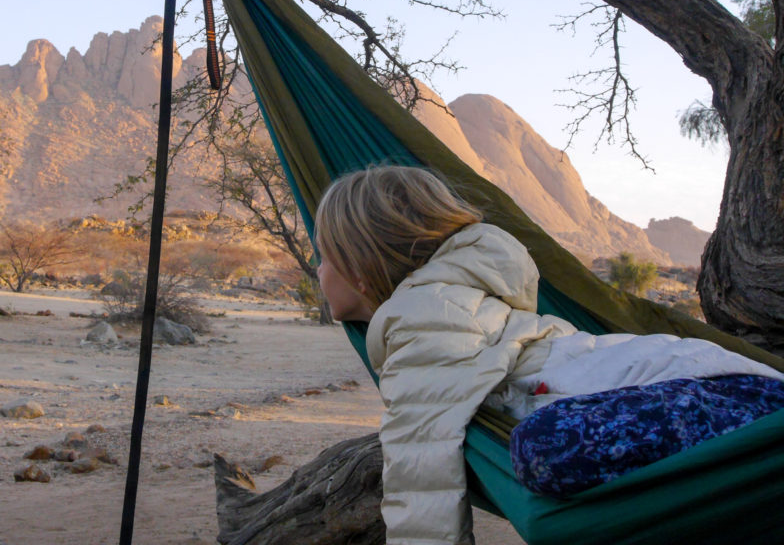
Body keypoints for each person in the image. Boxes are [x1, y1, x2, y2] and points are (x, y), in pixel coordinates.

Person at [314, 165, 784, 545]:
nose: (318, 271)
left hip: (734, 403)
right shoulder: (446, 304)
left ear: (359, 269)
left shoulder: (423, 314)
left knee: (545, 448)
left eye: (324, 256)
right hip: (717, 388)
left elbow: (421, 473)